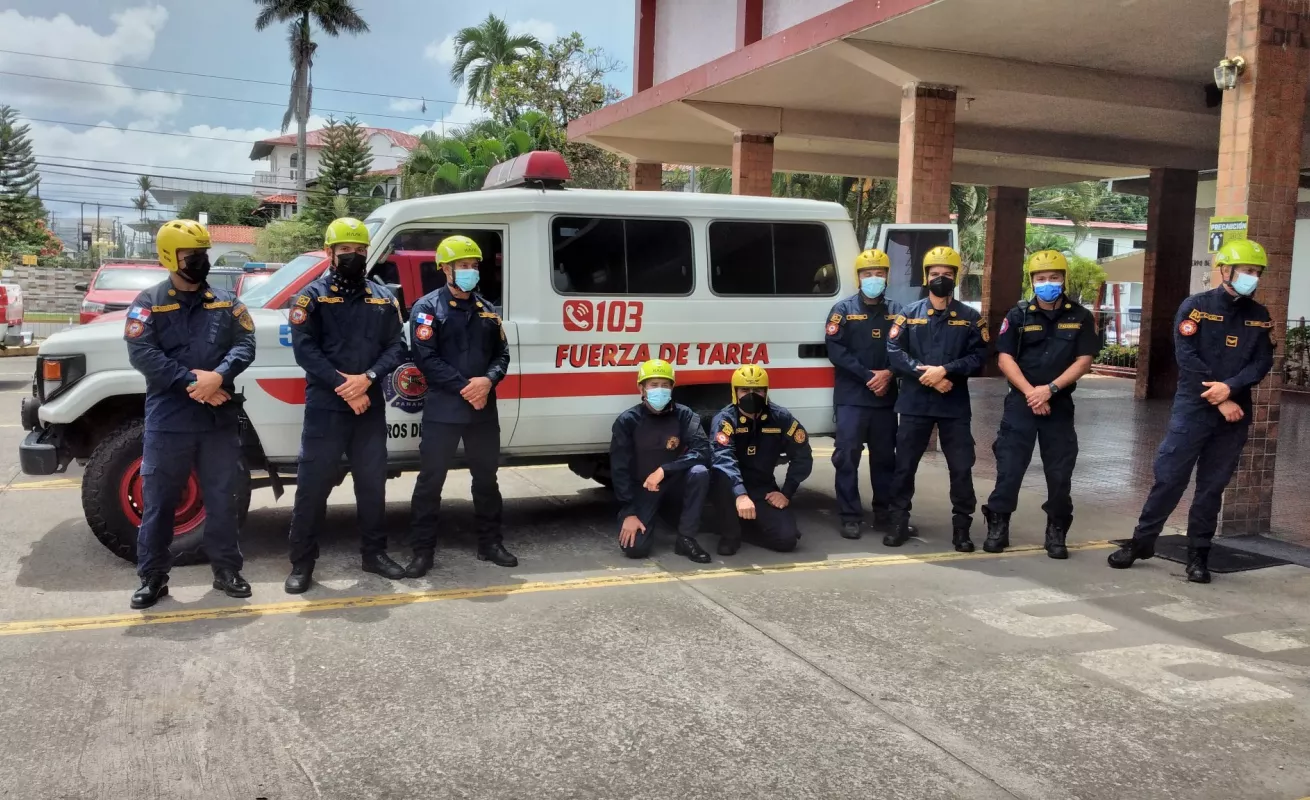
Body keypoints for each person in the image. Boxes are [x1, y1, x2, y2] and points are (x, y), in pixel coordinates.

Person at [1108, 239, 1275, 583]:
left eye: (1256, 272)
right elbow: (1187, 358)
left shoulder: (1259, 316)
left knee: (1212, 487)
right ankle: (1142, 542)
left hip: (1233, 416)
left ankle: (1198, 555)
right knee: (1170, 478)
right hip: (1194, 407)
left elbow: (1262, 362)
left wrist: (1231, 389)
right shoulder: (1195, 307)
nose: (1252, 277)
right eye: (1246, 270)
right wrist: (1220, 395)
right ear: (1225, 270)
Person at [125, 219, 256, 609]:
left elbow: (246, 344)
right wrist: (193, 384)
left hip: (217, 422)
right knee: (161, 500)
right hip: (170, 422)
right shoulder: (148, 303)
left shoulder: (226, 302)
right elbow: (143, 354)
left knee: (222, 498)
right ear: (170, 256)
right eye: (191, 255)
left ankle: (227, 571)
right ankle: (153, 577)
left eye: (203, 254)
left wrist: (219, 376)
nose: (200, 261)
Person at [283, 218, 409, 594]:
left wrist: (367, 380)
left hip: (369, 404)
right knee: (312, 488)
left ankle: (374, 554)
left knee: (371, 485)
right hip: (326, 407)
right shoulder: (311, 297)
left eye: (359, 250)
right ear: (330, 253)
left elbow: (397, 347)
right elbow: (305, 350)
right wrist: (343, 385)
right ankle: (302, 564)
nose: (353, 256)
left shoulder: (383, 296)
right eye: (345, 251)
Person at [404, 235, 516, 576]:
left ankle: (490, 543)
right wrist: (466, 387)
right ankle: (422, 551)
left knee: (486, 479)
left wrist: (489, 380)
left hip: (483, 410)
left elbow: (502, 355)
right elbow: (426, 358)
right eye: (462, 266)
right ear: (445, 269)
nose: (470, 272)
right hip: (444, 411)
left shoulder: (487, 310)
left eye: (474, 266)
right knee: (430, 481)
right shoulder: (426, 309)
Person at [982, 250, 1099, 558]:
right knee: (1009, 468)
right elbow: (1004, 358)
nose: (1048, 283)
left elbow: (1084, 360)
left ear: (1064, 279)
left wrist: (1049, 390)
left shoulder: (1080, 316)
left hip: (1058, 404)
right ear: (1032, 281)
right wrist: (1031, 393)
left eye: (1054, 277)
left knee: (1060, 473)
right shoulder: (1017, 315)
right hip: (1020, 404)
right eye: (1041, 278)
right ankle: (998, 526)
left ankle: (1056, 532)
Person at [885, 246, 988, 552]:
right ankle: (898, 523)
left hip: (953, 405)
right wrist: (925, 374)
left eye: (946, 274)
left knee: (960, 467)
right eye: (935, 274)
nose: (940, 278)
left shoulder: (971, 318)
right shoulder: (908, 315)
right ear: (925, 277)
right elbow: (894, 352)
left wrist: (946, 371)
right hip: (916, 403)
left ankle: (961, 528)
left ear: (956, 277)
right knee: (904, 465)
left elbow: (979, 356)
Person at [825, 248, 906, 539]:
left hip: (885, 398)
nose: (873, 278)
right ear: (858, 277)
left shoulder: (899, 311)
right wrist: (868, 375)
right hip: (852, 398)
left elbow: (905, 350)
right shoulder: (842, 310)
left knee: (885, 458)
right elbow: (836, 350)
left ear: (887, 276)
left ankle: (883, 513)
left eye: (879, 273)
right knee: (847, 457)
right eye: (867, 273)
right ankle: (849, 516)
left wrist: (889, 373)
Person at [609, 360, 713, 563]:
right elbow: (619, 470)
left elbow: (702, 450)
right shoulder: (627, 421)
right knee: (635, 549)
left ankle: (686, 538)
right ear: (641, 388)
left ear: (673, 388)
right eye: (653, 385)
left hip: (674, 483)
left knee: (700, 472)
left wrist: (665, 469)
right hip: (644, 489)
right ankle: (651, 516)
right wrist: (629, 512)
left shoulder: (685, 415)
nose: (660, 390)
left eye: (665, 385)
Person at [709, 365, 813, 555]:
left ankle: (744, 526)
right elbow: (723, 459)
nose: (751, 395)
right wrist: (740, 494)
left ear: (766, 392)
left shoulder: (780, 418)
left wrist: (786, 493)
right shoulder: (725, 420)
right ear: (735, 393)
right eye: (745, 390)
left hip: (762, 487)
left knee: (787, 540)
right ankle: (731, 534)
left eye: (757, 390)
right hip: (729, 487)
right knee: (727, 545)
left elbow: (803, 455)